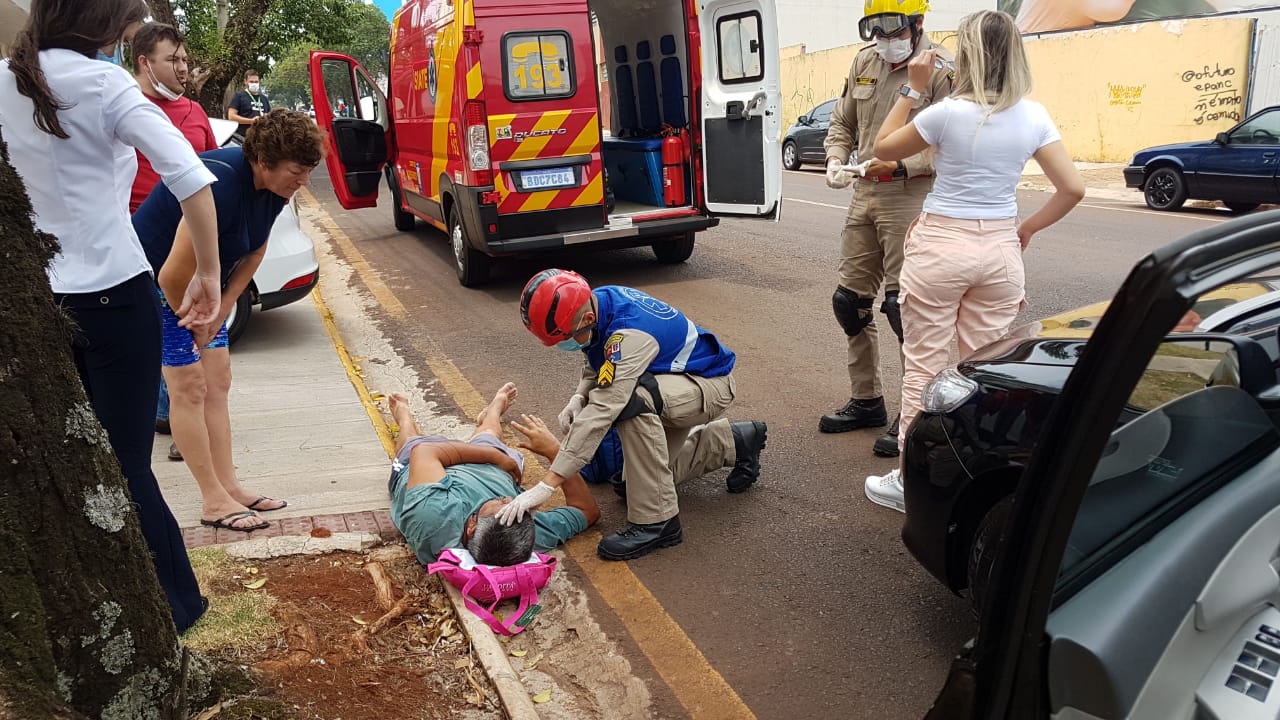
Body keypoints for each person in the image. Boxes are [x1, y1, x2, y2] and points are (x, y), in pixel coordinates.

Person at [1, 0, 224, 633]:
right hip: (114, 298)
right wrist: (207, 276)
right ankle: (176, 608)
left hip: (37, 302)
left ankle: (96, 609)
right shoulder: (103, 82)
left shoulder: (6, 79)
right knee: (125, 465)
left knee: (67, 459)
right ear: (99, 22)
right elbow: (192, 177)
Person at [866, 9, 1084, 512]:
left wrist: (912, 89)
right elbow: (1072, 188)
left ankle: (909, 480)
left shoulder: (947, 113)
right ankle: (972, 478)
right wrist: (1026, 227)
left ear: (968, 56)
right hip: (1001, 250)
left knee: (923, 365)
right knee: (985, 370)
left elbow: (883, 146)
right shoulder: (1035, 115)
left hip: (942, 244)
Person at [133, 109, 323, 531]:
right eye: (297, 171)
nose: (303, 182)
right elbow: (171, 274)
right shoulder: (216, 185)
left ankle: (230, 486)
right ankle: (212, 500)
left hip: (201, 288)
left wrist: (224, 304)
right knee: (189, 386)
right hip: (156, 285)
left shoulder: (276, 189)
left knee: (218, 381)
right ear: (263, 161)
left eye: (308, 171)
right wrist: (197, 318)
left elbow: (256, 249)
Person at [500, 270, 768, 561]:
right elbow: (599, 356)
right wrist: (579, 395)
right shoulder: (598, 301)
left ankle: (657, 522)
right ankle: (732, 441)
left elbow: (605, 405)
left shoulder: (628, 333)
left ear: (587, 319)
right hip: (674, 382)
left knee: (630, 400)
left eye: (566, 337)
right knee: (635, 486)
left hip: (710, 384)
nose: (567, 344)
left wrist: (548, 484)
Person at [820, 0, 954, 459]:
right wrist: (836, 158)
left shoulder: (941, 71)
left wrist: (897, 167)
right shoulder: (865, 61)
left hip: (909, 195)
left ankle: (910, 411)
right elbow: (842, 121)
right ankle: (867, 400)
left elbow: (949, 143)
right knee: (849, 302)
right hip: (864, 192)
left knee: (902, 310)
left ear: (918, 24)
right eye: (874, 29)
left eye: (892, 28)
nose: (883, 38)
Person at [126, 22, 219, 461]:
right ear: (145, 63)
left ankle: (178, 416)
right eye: (172, 60)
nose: (183, 69)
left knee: (190, 326)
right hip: (139, 237)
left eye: (184, 60)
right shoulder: (124, 109)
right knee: (155, 331)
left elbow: (210, 171)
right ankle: (171, 414)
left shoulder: (194, 111)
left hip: (191, 238)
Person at [387, 384, 601, 565]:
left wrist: (492, 457)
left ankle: (404, 417)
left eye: (502, 505)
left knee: (410, 443)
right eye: (517, 509)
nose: (510, 500)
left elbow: (423, 452)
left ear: (471, 526)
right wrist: (555, 451)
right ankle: (492, 414)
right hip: (489, 467)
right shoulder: (522, 537)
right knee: (489, 436)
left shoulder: (433, 516)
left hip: (424, 464)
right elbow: (587, 510)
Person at [227, 69, 270, 137]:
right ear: (245, 82)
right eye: (251, 82)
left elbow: (269, 116)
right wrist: (251, 121)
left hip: (261, 138)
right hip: (243, 137)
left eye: (256, 82)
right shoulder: (239, 96)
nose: (254, 84)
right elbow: (231, 116)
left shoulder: (264, 98)